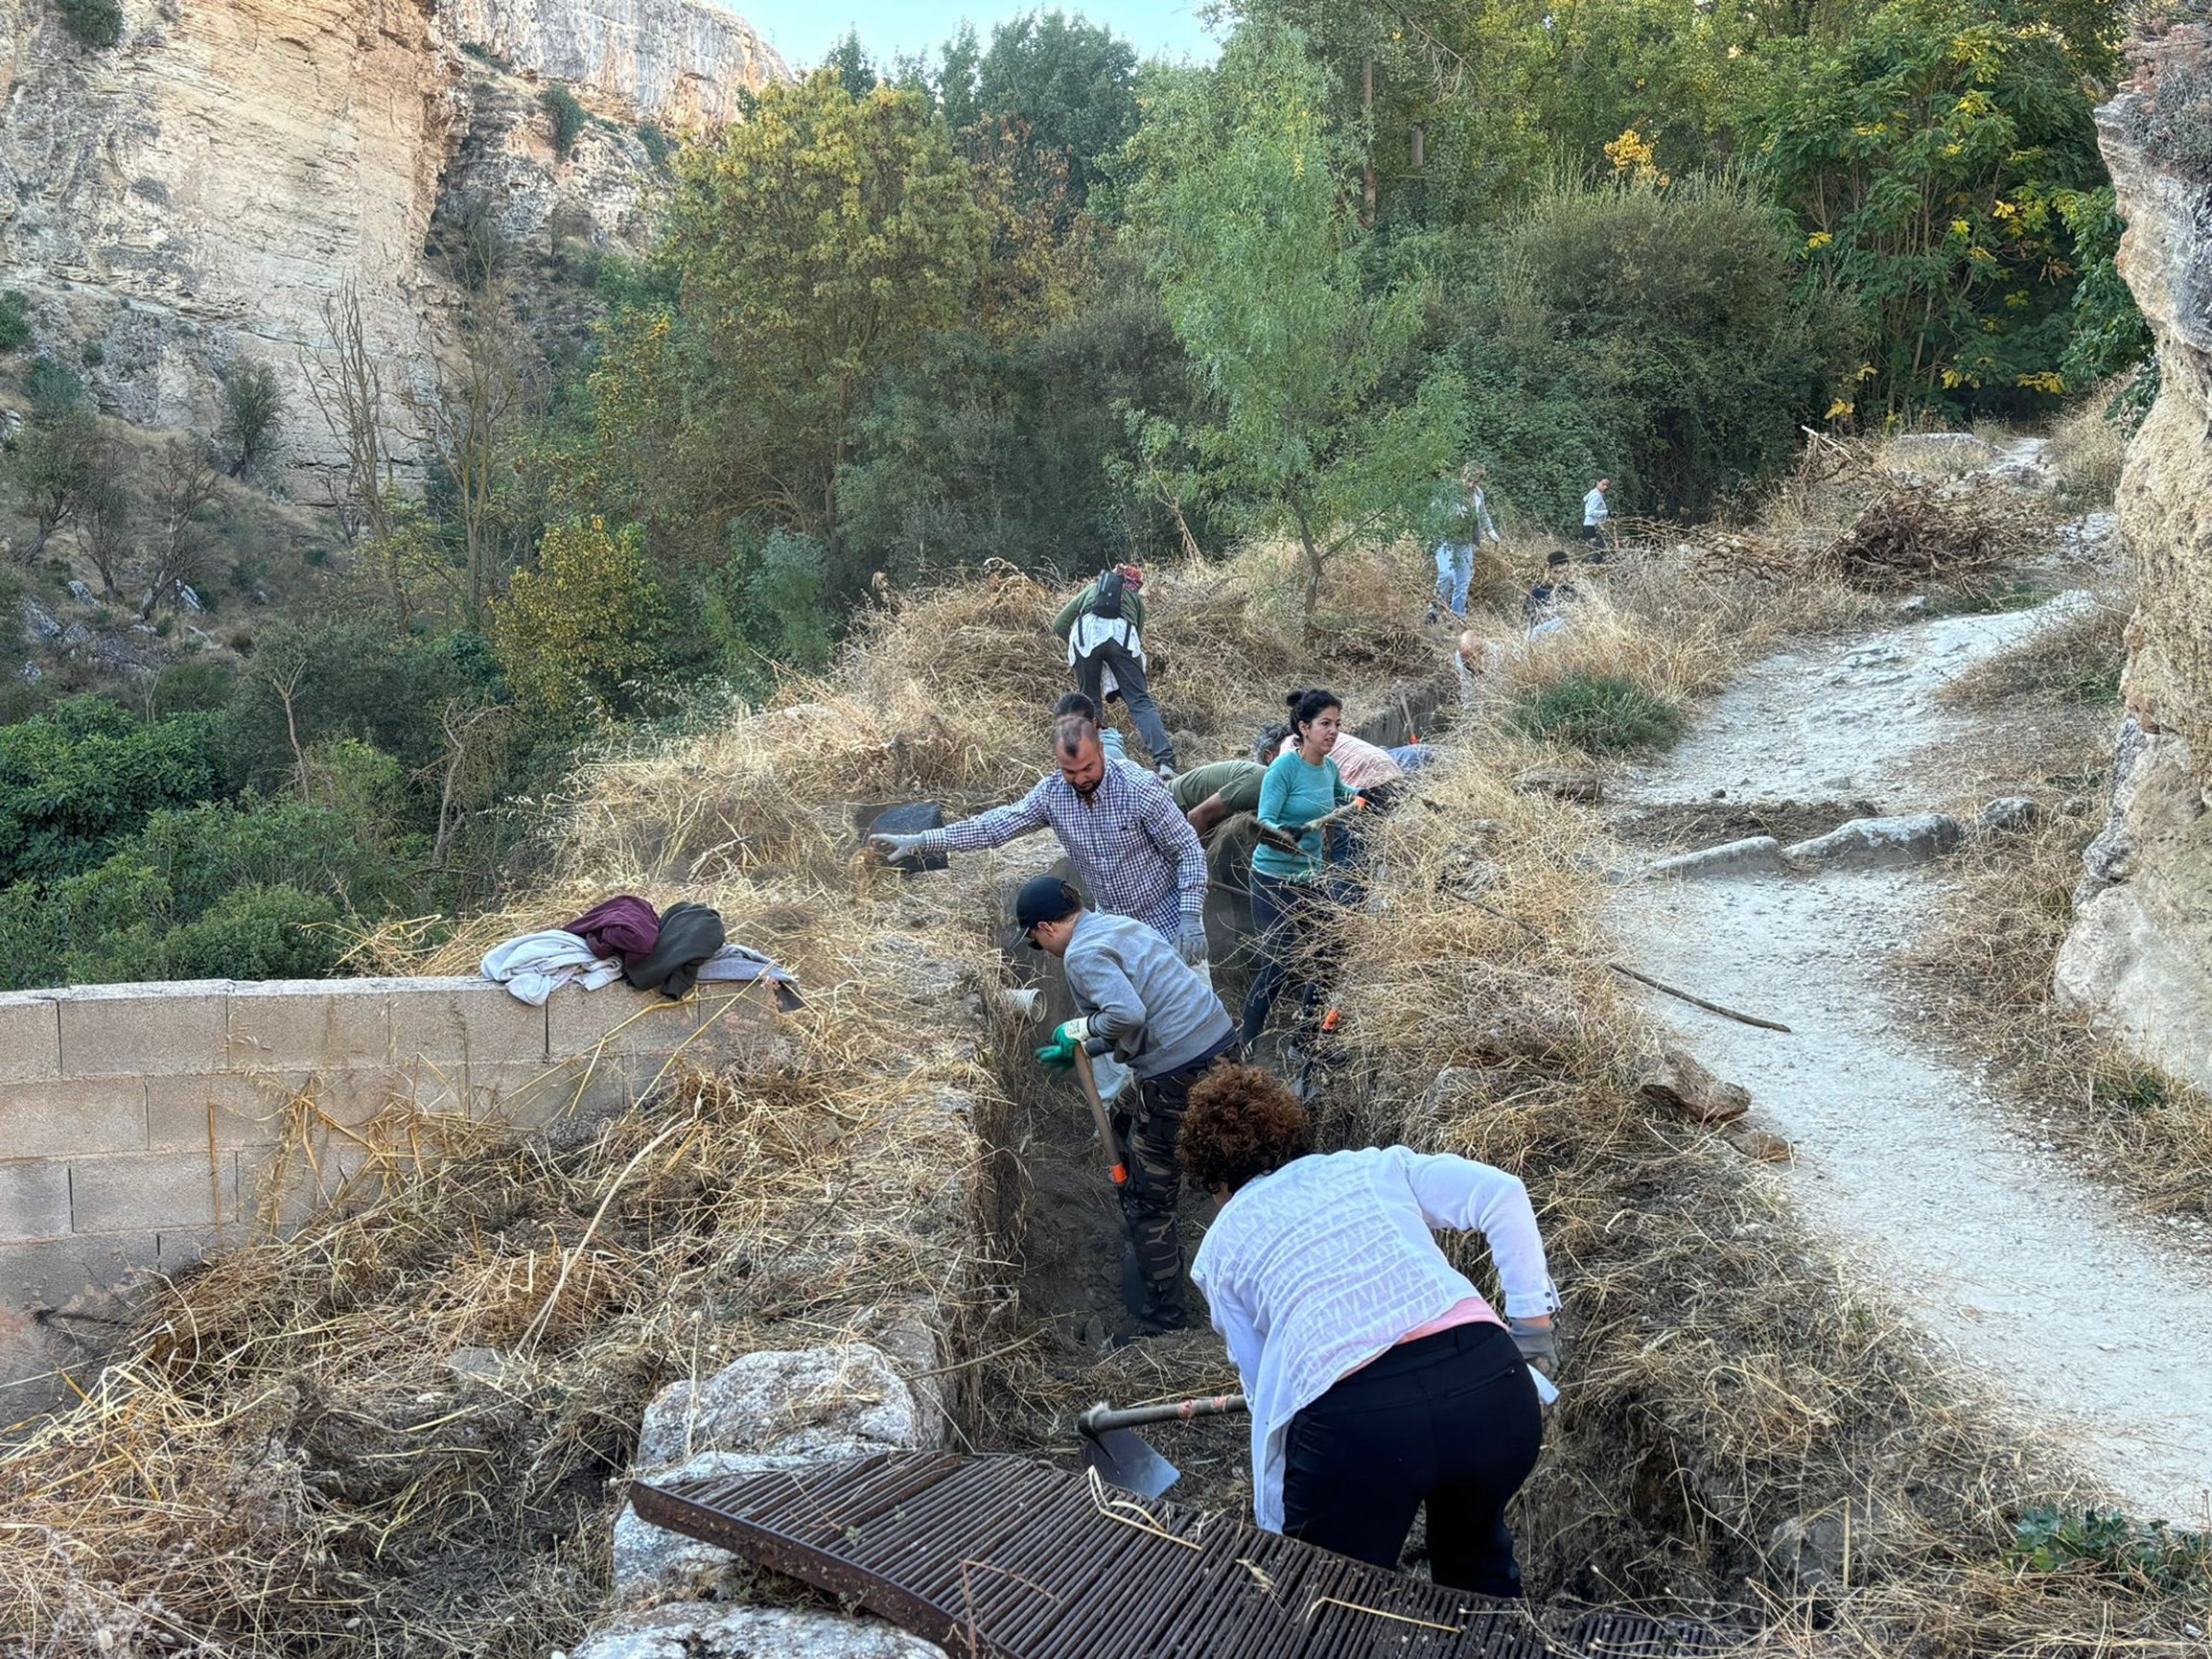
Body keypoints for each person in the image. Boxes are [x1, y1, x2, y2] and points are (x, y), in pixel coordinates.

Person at [1182, 1064, 1559, 1595]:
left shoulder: (1219, 1249)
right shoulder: (1373, 1168)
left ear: (1216, 1181)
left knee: (1338, 1600)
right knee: (1477, 1563)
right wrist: (1533, 1332)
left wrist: (1275, 1520)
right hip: (1490, 1387)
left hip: (1359, 1432)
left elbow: (1267, 1390)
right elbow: (1504, 1194)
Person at [1017, 875, 1239, 1337]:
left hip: (1179, 1070)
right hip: (1218, 1041)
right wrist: (1091, 1048)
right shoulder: (1116, 925)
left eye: (1037, 942)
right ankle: (1149, 1189)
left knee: (1148, 1201)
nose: (1044, 950)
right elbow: (1145, 1009)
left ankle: (1164, 1316)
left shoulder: (1081, 954)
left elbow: (1128, 1014)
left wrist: (1078, 1031)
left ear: (1045, 928)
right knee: (1123, 1116)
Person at [870, 713, 1209, 965]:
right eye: (1069, 771)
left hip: (1167, 918)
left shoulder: (1139, 788)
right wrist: (923, 840)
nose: (1080, 780)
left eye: (1088, 768)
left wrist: (1190, 918)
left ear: (1102, 750)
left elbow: (1187, 849)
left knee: (1192, 1020)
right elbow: (994, 826)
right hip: (1116, 924)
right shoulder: (1052, 796)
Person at [1244, 689, 1358, 1047]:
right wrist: (1284, 834)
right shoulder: (1283, 768)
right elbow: (1264, 824)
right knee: (1278, 962)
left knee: (1330, 952)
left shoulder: (1329, 767)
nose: (1333, 732)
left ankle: (1305, 1038)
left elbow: (1340, 794)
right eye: (1325, 724)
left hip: (1310, 877)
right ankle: (1244, 1045)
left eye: (1337, 724)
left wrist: (1362, 796)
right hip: (1273, 880)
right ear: (1304, 728)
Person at [1054, 565, 1176, 778]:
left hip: (1084, 636)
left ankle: (1094, 764)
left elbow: (1059, 623)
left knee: (1089, 704)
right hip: (1122, 636)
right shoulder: (1135, 601)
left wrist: (1079, 645)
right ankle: (1165, 763)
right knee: (1140, 701)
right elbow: (1136, 635)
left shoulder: (1091, 590)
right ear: (1135, 585)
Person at [1432, 464, 1500, 621]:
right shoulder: (1448, 490)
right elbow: (1434, 513)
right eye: (1469, 480)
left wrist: (1491, 533)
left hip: (1465, 542)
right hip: (1446, 540)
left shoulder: (1478, 494)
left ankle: (1457, 617)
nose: (1470, 485)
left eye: (1475, 482)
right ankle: (1433, 611)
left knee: (1463, 582)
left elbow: (1482, 515)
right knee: (1446, 575)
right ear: (1463, 475)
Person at [1524, 551, 1580, 635]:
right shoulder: (1538, 593)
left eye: (1565, 571)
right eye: (1557, 572)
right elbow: (1526, 622)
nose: (1562, 576)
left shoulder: (1575, 590)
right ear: (1549, 571)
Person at [1581, 478, 1613, 558]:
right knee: (1598, 551)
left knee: (1595, 550)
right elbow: (1589, 512)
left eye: (1607, 485)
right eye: (1603, 484)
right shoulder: (1596, 496)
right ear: (1597, 482)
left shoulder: (1593, 493)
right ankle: (1593, 566)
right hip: (1592, 526)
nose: (1605, 487)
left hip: (1590, 525)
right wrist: (1606, 513)